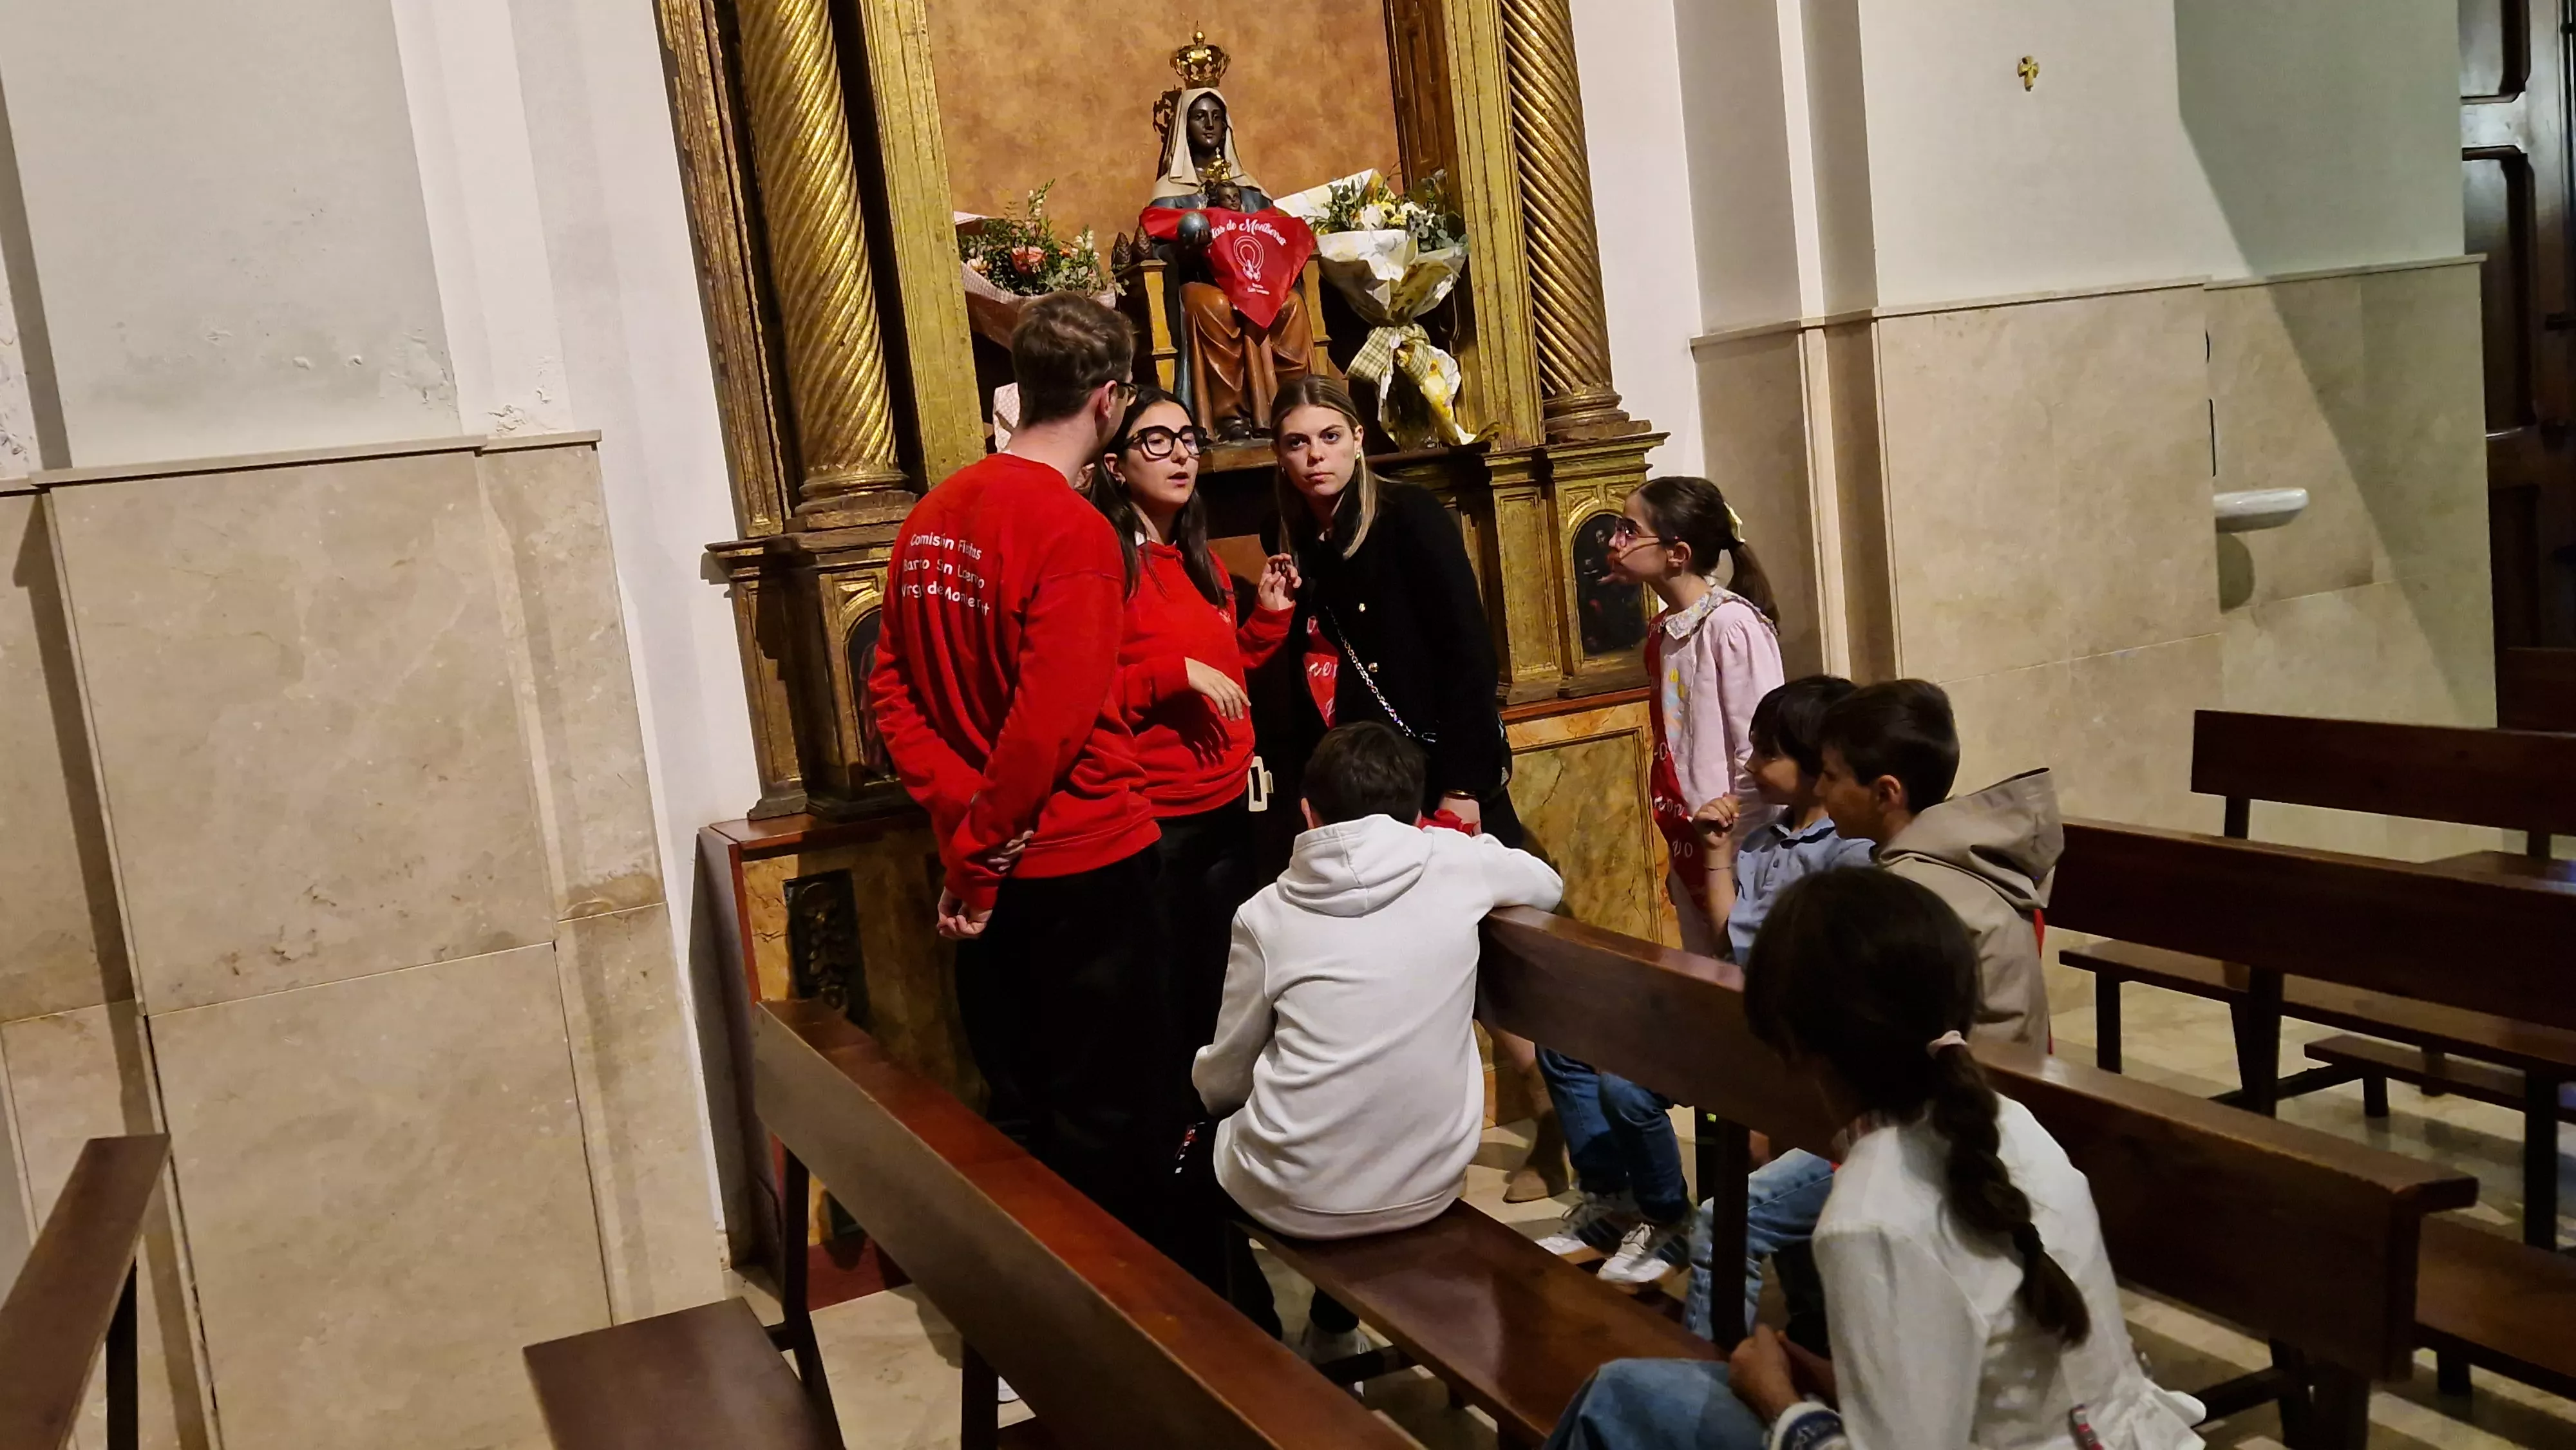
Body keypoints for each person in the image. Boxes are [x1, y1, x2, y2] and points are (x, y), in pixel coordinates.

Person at [1542, 870, 2207, 1450]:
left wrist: (1784, 1403)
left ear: (1792, 1045)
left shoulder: (1868, 1214)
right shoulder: (2008, 1123)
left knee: (1619, 1396)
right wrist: (1841, 1378)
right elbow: (1981, 1364)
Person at [867, 294, 1169, 1236]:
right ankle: (1125, 1346)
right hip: (1080, 862)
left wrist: (965, 831)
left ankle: (1032, 1333)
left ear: (1020, 388)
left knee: (1023, 1111)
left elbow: (891, 694)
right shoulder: (1074, 531)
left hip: (986, 863)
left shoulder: (934, 513)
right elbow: (1050, 725)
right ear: (1109, 401)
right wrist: (987, 853)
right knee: (1111, 1124)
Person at [1180, 720, 1564, 1357]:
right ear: (1416, 809)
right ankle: (1332, 1329)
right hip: (1429, 1179)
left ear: (1307, 811)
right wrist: (1454, 847)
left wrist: (1204, 1092)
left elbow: (1223, 1080)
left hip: (1297, 1195)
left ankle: (1259, 1349)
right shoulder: (1454, 863)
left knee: (1189, 1168)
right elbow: (1546, 885)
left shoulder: (1264, 913)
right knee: (1359, 1124)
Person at [1534, 477, 1783, 1292]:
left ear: (1676, 552)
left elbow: (1765, 743)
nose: (1613, 541)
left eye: (1629, 530)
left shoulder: (1732, 627)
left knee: (1726, 1021)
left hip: (1738, 852)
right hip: (1692, 848)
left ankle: (1719, 1210)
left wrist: (1727, 810)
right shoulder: (1669, 631)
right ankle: (1660, 1204)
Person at [1085, 386, 1296, 1096]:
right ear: (1114, 465)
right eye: (1154, 440)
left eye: (1186, 437)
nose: (1179, 453)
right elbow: (1082, 695)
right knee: (1167, 1000)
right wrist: (1169, 674)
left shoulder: (1198, 559)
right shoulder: (1107, 566)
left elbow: (1225, 678)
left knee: (1222, 989)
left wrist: (1265, 622)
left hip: (1227, 809)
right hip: (1158, 819)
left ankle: (1217, 1139)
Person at [1678, 675, 1876, 1341]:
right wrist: (1715, 854)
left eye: (1766, 750)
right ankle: (1813, 1318)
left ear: (1820, 761)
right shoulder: (1765, 843)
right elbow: (1732, 938)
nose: (1750, 764)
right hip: (1765, 1034)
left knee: (1757, 1186)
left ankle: (1804, 1327)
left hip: (1807, 1048)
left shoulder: (1851, 854)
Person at [1253, 375, 1519, 852]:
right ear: (1279, 453)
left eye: (1330, 436)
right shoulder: (1285, 531)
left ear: (1357, 439)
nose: (1316, 455)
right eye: (1298, 442)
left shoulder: (1408, 514)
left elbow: (1468, 653)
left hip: (1428, 767)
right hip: (1350, 779)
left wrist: (1463, 786)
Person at [1815, 680, 2061, 1050]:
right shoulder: (1963, 854)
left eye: (1830, 776)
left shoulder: (1906, 895)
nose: (1819, 790)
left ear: (1885, 793)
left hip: (1967, 1095)